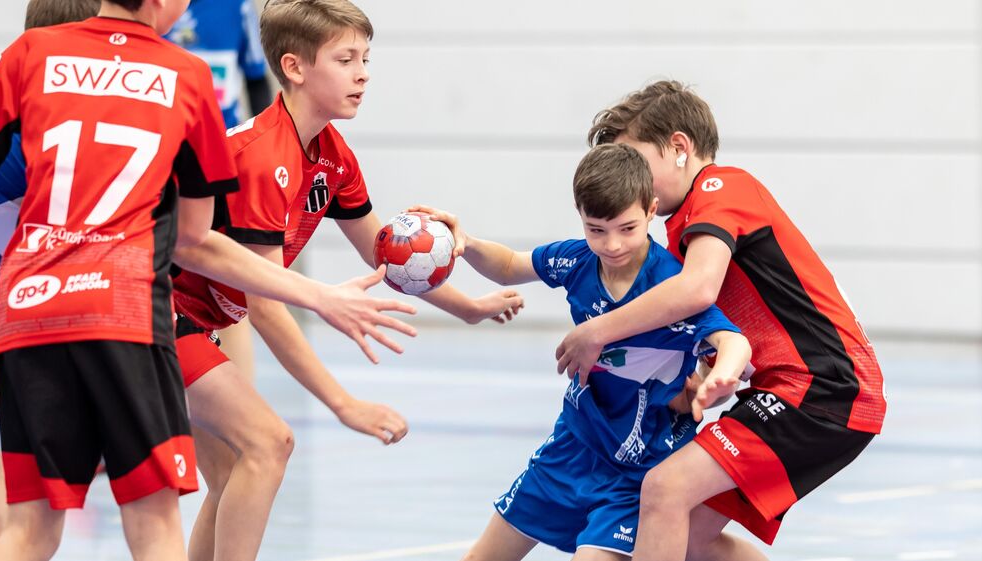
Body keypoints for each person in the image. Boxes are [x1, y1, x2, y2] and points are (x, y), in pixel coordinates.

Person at [0, 1, 416, 559]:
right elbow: (194, 239)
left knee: (31, 530)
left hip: (29, 307)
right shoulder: (187, 77)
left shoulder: (30, 53)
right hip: (124, 309)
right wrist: (317, 295)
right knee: (157, 524)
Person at [170, 2, 525, 560]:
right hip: (161, 317)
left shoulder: (333, 155)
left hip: (198, 324)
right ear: (294, 67)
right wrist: (343, 404)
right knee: (269, 444)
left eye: (366, 58)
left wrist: (468, 308)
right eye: (345, 59)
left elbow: (387, 255)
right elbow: (264, 305)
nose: (363, 73)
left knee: (237, 468)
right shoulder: (261, 156)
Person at [554, 80, 887, 560]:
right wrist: (705, 375)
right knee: (685, 534)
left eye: (635, 161)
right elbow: (727, 317)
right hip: (792, 386)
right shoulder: (678, 229)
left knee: (664, 489)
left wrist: (596, 330)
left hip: (823, 386)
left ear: (680, 148)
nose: (629, 181)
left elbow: (698, 289)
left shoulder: (721, 186)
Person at [410, 144, 749, 560]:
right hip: (572, 445)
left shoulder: (670, 286)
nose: (612, 245)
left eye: (627, 228)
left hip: (640, 468)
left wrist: (722, 375)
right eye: (596, 229)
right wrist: (467, 242)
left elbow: (732, 340)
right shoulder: (576, 261)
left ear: (650, 210)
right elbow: (511, 263)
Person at [166, 0, 275, 387]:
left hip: (216, 166)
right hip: (159, 164)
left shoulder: (236, 7)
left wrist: (262, 157)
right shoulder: (145, 9)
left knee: (224, 284)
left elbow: (257, 81)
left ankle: (237, 395)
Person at [166, 0, 272, 128]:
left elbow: (256, 78)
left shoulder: (239, 5)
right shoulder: (154, 6)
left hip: (224, 132)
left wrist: (262, 135)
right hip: (168, 135)